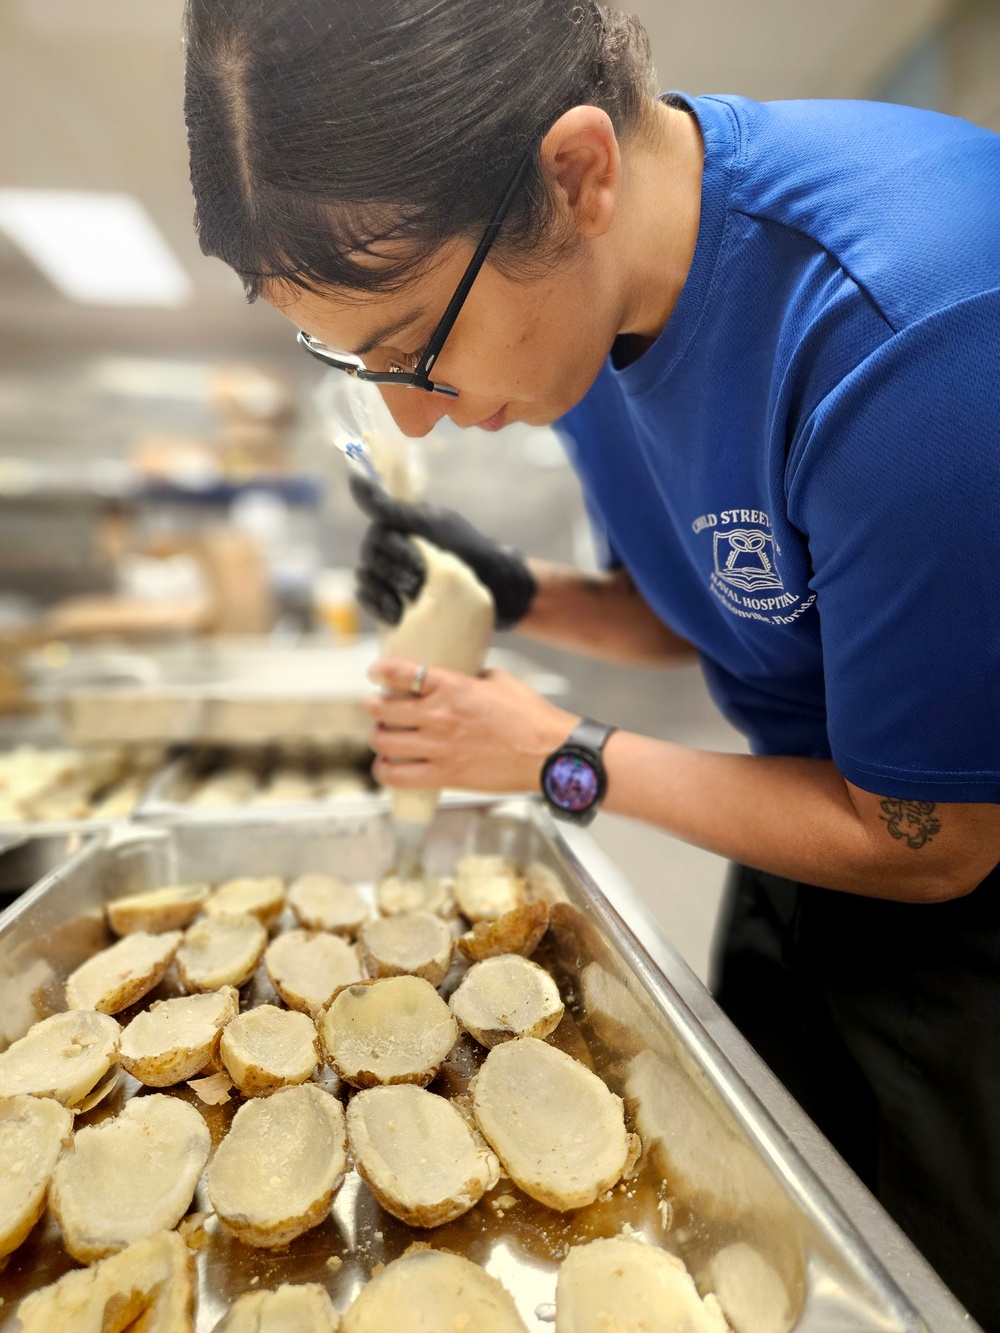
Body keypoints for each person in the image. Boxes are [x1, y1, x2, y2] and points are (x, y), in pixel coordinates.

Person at [182, 0, 1000, 1322]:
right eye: (358, 360)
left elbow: (936, 834)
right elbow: (728, 602)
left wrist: (562, 758)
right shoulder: (586, 300)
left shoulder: (913, 331)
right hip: (800, 831)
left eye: (413, 344)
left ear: (575, 173)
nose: (409, 415)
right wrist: (517, 591)